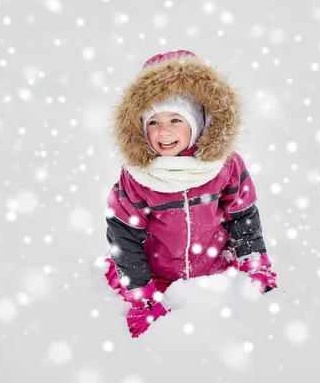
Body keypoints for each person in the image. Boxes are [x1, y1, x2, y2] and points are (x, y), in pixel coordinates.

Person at [104, 50, 277, 338]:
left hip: (214, 271)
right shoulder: (138, 176)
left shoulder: (223, 166)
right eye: (154, 122)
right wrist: (141, 295)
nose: (164, 132)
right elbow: (124, 236)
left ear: (196, 124)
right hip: (157, 277)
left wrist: (254, 264)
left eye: (175, 120)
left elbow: (242, 217)